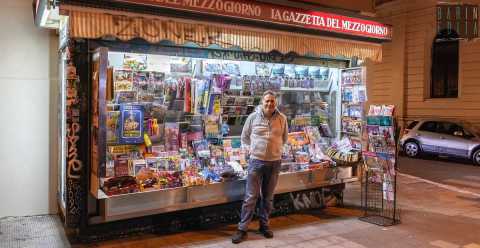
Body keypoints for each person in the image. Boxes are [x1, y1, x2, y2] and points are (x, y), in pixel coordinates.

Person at [231, 90, 288, 244]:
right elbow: (244, 137)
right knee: (251, 197)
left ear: (275, 103)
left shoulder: (282, 119)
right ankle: (242, 229)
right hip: (256, 162)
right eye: (267, 101)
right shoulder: (252, 117)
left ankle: (264, 225)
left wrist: (277, 151)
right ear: (262, 102)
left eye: (272, 101)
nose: (269, 104)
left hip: (275, 163)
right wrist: (252, 151)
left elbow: (285, 139)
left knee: (268, 198)